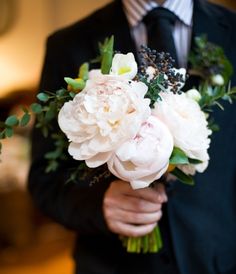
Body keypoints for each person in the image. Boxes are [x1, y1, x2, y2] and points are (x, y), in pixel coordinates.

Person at [28, 0, 236, 273]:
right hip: (112, 264)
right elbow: (44, 179)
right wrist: (97, 205)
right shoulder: (67, 45)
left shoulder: (231, 30)